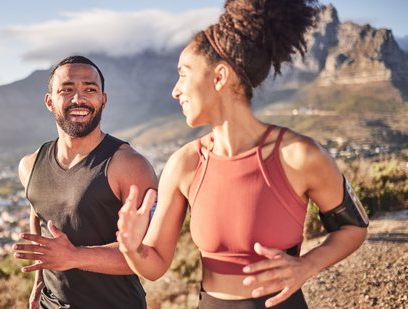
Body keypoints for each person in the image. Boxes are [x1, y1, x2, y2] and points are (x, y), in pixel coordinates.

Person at [116, 1, 369, 308]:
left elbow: (353, 227)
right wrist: (131, 249)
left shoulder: (299, 156)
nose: (175, 90)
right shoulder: (184, 164)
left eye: (184, 74)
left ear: (220, 76)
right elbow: (154, 264)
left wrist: (308, 266)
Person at [12, 55, 157, 309]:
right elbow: (39, 215)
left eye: (90, 89)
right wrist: (39, 282)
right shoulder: (30, 166)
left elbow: (149, 254)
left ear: (103, 99)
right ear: (49, 101)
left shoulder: (129, 166)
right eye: (67, 90)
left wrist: (74, 257)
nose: (78, 99)